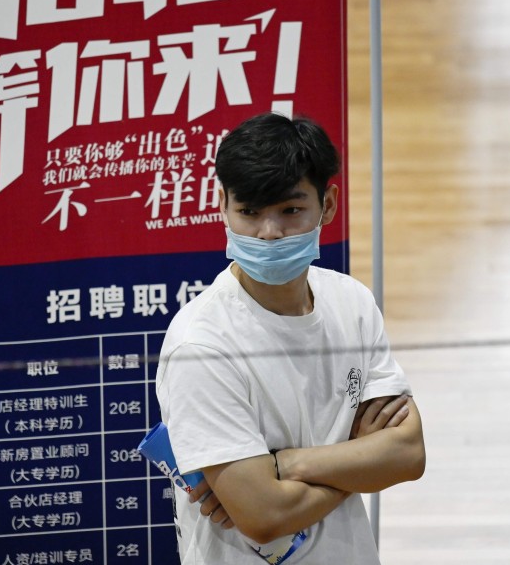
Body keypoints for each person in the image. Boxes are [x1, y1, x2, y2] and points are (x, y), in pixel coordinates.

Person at [156, 112, 425, 564]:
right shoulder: (200, 347)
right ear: (222, 204)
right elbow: (264, 515)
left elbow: (407, 454)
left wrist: (286, 464)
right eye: (249, 212)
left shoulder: (352, 303)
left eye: (290, 211)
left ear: (329, 204)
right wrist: (356, 459)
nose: (269, 233)